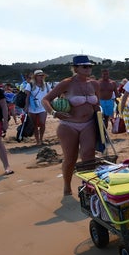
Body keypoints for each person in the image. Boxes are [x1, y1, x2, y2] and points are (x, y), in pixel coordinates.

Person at [42, 55, 100, 196]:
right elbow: (45, 100)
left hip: (89, 123)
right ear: (76, 68)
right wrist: (54, 113)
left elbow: (96, 104)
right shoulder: (66, 83)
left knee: (89, 155)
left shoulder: (94, 84)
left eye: (90, 66)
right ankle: (67, 186)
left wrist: (100, 114)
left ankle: (89, 187)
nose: (88, 69)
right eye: (84, 66)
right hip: (69, 125)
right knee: (70, 158)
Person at [24, 69, 50, 145]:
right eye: (39, 75)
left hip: (43, 107)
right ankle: (37, 140)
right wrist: (26, 106)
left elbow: (50, 95)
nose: (41, 77)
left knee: (42, 123)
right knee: (34, 124)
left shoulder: (46, 85)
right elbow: (27, 96)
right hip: (32, 107)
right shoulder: (30, 85)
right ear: (35, 77)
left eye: (42, 75)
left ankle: (41, 139)